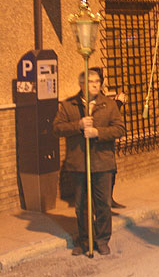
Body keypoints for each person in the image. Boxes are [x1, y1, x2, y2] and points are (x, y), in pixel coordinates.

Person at [53, 69, 125, 256]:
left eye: (97, 81)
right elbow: (57, 128)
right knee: (82, 206)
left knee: (102, 204)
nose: (95, 84)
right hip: (79, 164)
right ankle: (85, 239)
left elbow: (119, 129)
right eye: (91, 81)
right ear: (82, 84)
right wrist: (77, 126)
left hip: (102, 163)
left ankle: (102, 240)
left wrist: (98, 133)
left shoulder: (109, 105)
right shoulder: (69, 105)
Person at [89, 67, 126, 210]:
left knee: (111, 172)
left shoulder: (102, 95)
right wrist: (118, 103)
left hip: (105, 143)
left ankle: (108, 200)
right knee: (102, 175)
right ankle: (101, 205)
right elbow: (101, 117)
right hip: (98, 145)